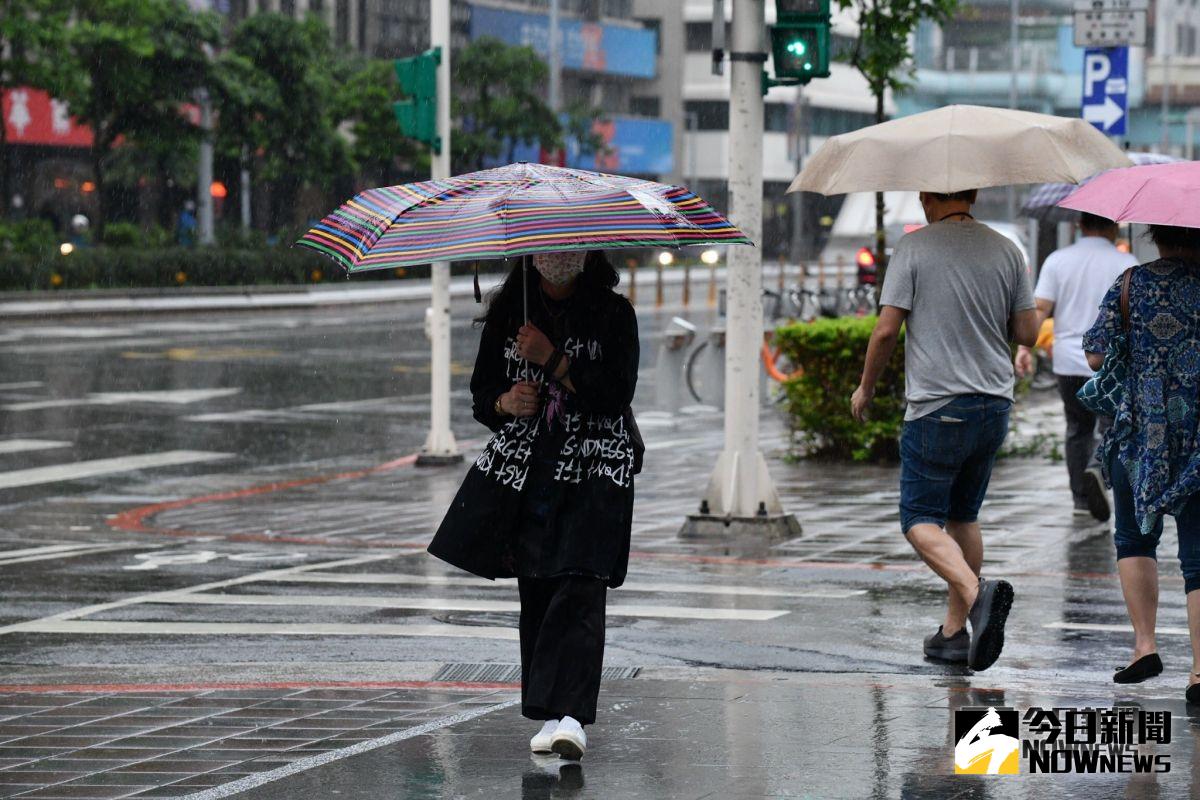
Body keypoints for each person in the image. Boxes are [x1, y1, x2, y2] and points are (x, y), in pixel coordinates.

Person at [429, 250, 641, 760]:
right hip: (530, 475)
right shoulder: (511, 313)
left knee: (582, 584)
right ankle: (550, 714)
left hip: (595, 471)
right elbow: (482, 396)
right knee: (540, 588)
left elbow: (615, 393)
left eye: (570, 249)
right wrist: (506, 402)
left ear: (588, 254)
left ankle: (574, 717)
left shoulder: (614, 314)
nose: (558, 259)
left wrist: (554, 360)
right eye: (549, 250)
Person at [851, 189, 1039, 671]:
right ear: (973, 194)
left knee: (919, 518)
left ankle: (977, 597)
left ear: (927, 197)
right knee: (964, 516)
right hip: (994, 403)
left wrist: (866, 388)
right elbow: (1027, 333)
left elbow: (886, 330)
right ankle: (954, 633)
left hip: (938, 406)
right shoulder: (1007, 249)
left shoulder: (914, 248)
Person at [1083, 224, 1200, 693]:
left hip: (1140, 433)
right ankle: (1199, 672)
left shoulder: (1132, 282)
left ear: (1156, 234)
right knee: (1198, 557)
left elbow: (1095, 356)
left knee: (1133, 539)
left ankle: (1145, 647)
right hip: (1196, 437)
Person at [1015, 213, 1137, 521]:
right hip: (1110, 363)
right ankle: (1097, 467)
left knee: (1076, 429)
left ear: (1080, 226)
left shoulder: (1058, 260)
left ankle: (1080, 500)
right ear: (1114, 226)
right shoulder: (1127, 263)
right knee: (1112, 427)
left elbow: (1040, 308)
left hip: (1068, 360)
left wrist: (1024, 348)